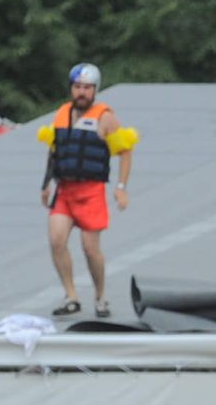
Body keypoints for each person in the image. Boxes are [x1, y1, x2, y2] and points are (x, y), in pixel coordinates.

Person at [37, 64, 140, 320]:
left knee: (90, 249)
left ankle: (100, 296)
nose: (81, 92)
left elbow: (125, 153)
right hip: (65, 190)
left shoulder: (105, 118)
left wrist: (121, 188)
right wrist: (46, 183)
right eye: (77, 87)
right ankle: (71, 296)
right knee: (56, 240)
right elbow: (55, 150)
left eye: (86, 88)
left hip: (91, 191)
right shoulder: (62, 114)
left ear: (95, 90)